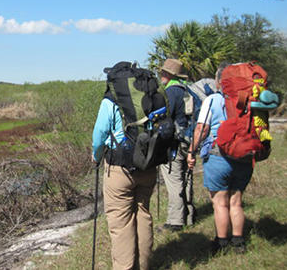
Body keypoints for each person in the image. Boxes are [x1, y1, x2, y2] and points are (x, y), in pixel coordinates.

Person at [187, 62, 252, 254]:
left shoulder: (213, 100)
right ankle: (239, 242)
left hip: (218, 157)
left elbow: (202, 128)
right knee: (236, 201)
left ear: (219, 82)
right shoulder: (248, 99)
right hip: (244, 156)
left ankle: (221, 242)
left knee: (220, 202)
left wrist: (192, 151)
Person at [92, 84, 156, 270]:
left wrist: (96, 156)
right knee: (142, 214)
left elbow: (100, 134)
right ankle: (143, 265)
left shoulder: (110, 102)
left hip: (120, 169)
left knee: (121, 222)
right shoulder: (148, 96)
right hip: (148, 164)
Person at [158, 58, 195, 231]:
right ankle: (189, 215)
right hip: (188, 140)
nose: (161, 75)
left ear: (169, 75)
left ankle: (175, 221)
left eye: (164, 72)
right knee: (186, 178)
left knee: (174, 179)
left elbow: (167, 117)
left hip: (175, 143)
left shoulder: (171, 91)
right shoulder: (184, 89)